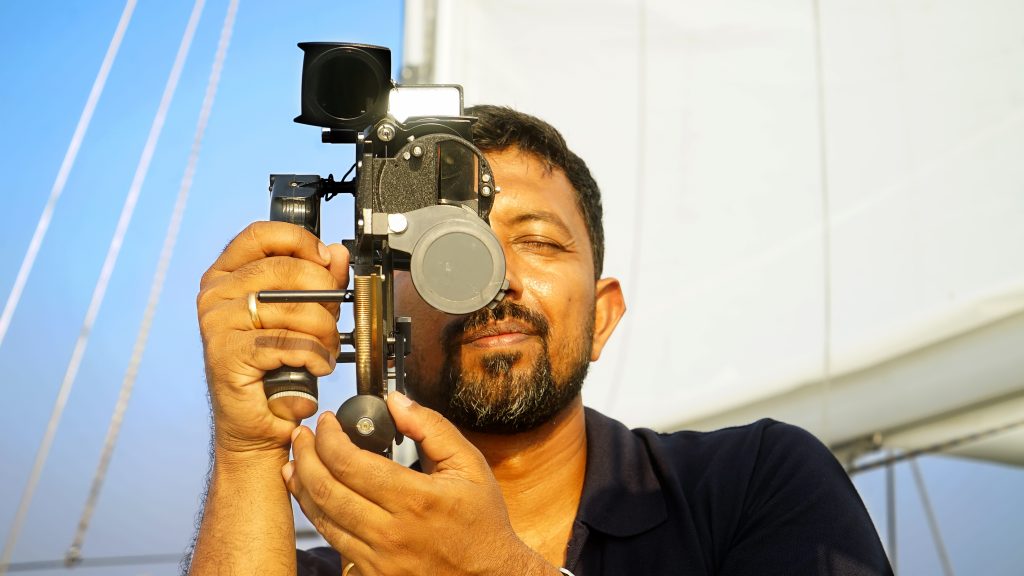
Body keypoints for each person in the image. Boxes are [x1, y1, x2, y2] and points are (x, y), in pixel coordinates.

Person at [187, 105, 893, 575]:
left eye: (540, 241)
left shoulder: (751, 484)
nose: (494, 280)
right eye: (450, 248)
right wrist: (249, 447)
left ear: (603, 317)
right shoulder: (334, 560)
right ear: (381, 304)